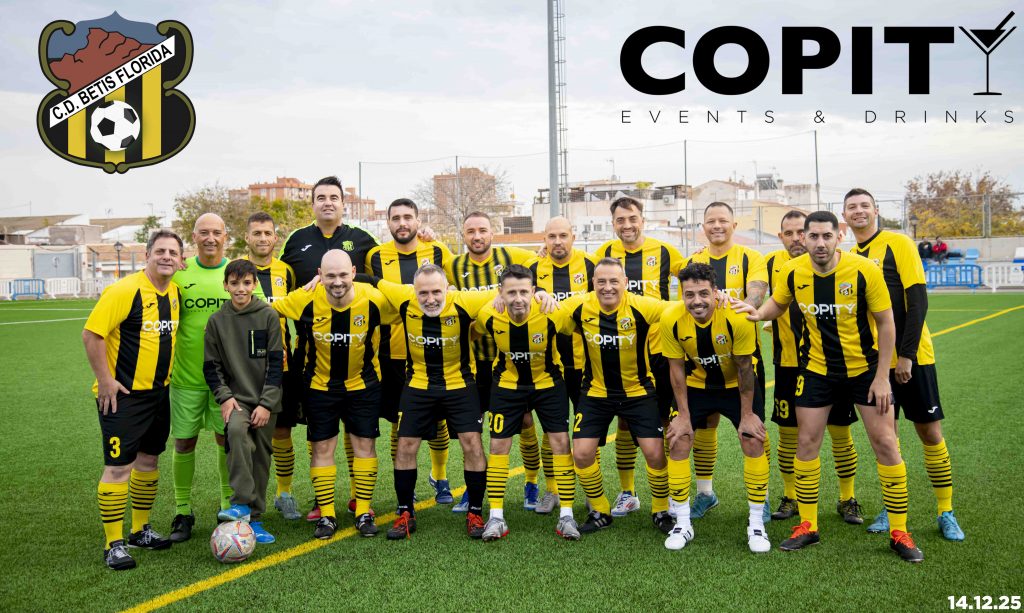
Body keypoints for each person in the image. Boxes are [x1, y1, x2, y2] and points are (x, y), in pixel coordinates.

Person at [731, 211, 924, 563]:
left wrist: (883, 377)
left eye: (826, 236)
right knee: (806, 443)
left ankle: (900, 531)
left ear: (839, 237)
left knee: (885, 442)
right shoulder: (793, 271)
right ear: (804, 239)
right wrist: (758, 312)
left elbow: (886, 323)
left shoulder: (864, 271)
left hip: (864, 370)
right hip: (816, 371)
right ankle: (808, 525)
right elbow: (778, 303)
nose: (820, 243)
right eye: (813, 236)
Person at [374, 266, 558, 539]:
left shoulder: (464, 300)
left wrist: (540, 293)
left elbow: (509, 290)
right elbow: (371, 279)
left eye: (436, 292)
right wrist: (321, 279)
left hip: (459, 384)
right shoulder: (403, 298)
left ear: (447, 289)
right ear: (414, 291)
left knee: (472, 443)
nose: (430, 299)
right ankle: (405, 512)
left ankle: (475, 511)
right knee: (406, 444)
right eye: (423, 293)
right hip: (418, 384)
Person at [844, 188, 965, 541]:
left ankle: (946, 511)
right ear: (845, 216)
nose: (858, 211)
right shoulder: (850, 256)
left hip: (914, 360)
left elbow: (918, 301)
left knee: (929, 432)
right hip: (876, 363)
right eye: (852, 207)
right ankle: (892, 508)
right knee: (888, 437)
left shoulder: (899, 243)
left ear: (876, 210)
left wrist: (907, 356)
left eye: (864, 205)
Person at [271, 250, 396, 539]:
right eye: (330, 276)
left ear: (353, 272)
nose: (337, 282)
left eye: (342, 275)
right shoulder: (304, 298)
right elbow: (268, 310)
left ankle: (363, 511)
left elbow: (411, 304)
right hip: (319, 387)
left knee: (364, 446)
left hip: (363, 386)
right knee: (322, 449)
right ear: (319, 275)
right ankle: (327, 515)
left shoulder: (374, 299)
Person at [278, 176, 379, 522]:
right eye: (320, 197)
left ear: (343, 203)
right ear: (312, 204)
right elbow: (281, 290)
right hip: (312, 359)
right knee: (320, 438)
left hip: (359, 358)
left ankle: (357, 500)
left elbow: (381, 283)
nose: (327, 203)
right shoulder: (296, 241)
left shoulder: (363, 240)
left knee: (358, 435)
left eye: (334, 197)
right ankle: (323, 503)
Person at [82, 229, 183, 570]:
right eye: (160, 251)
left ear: (180, 260)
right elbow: (92, 334)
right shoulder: (124, 290)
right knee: (118, 467)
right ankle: (113, 544)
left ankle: (140, 530)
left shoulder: (175, 292)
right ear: (147, 255)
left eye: (173, 252)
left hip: (159, 393)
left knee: (148, 461)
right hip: (123, 396)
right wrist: (105, 381)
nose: (166, 256)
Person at [553, 258, 674, 536]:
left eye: (614, 281)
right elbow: (549, 313)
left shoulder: (641, 306)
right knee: (582, 453)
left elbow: (678, 309)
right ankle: (600, 510)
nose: (607, 287)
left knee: (655, 453)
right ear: (592, 283)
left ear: (625, 283)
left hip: (638, 392)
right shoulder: (579, 306)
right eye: (601, 282)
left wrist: (719, 300)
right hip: (596, 393)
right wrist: (540, 297)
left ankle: (660, 510)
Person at [168, 214, 265, 543]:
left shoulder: (236, 274)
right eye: (204, 232)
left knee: (228, 441)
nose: (210, 238)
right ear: (194, 236)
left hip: (228, 383)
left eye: (216, 232)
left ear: (226, 237)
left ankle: (229, 506)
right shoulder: (179, 275)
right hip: (187, 377)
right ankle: (183, 510)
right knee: (184, 442)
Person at [661, 263, 770, 553]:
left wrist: (747, 415)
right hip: (697, 385)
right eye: (689, 294)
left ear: (715, 292)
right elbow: (676, 369)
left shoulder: (736, 317)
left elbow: (745, 368)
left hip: (736, 386)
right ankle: (683, 523)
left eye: (703, 293)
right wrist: (683, 416)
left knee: (752, 438)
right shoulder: (671, 318)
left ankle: (756, 523)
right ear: (681, 295)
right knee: (678, 438)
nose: (696, 301)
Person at [765, 211, 863, 525]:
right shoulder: (770, 264)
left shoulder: (839, 263)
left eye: (800, 232)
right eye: (789, 233)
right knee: (789, 435)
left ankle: (847, 498)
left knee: (840, 432)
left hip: (829, 366)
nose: (796, 238)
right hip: (787, 364)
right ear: (781, 237)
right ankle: (791, 496)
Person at [593, 197, 686, 518]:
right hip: (622, 353)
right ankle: (628, 492)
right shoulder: (603, 253)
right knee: (624, 421)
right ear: (613, 224)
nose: (627, 225)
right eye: (620, 220)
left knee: (667, 422)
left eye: (632, 218)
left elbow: (693, 273)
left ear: (642, 220)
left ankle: (670, 494)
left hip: (660, 352)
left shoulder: (665, 251)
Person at [473, 265, 579, 541]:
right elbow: (472, 332)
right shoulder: (489, 314)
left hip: (548, 384)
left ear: (533, 291)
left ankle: (567, 515)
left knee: (560, 443)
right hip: (506, 386)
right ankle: (496, 517)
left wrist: (552, 298)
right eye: (511, 293)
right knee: (498, 446)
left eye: (523, 292)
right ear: (501, 292)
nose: (518, 298)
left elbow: (575, 325)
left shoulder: (551, 313)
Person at [366, 198, 456, 505]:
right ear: (388, 223)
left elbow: (456, 286)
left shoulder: (438, 250)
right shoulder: (375, 256)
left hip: (434, 348)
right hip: (392, 352)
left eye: (408, 217)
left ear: (418, 220)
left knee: (439, 420)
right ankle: (406, 484)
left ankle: (440, 476)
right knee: (398, 421)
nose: (402, 223)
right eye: (396, 218)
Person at [685, 202, 771, 522]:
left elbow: (755, 297)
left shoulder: (751, 258)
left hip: (743, 361)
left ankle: (761, 500)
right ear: (703, 227)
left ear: (734, 225)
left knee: (753, 431)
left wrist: (730, 307)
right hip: (702, 362)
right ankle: (706, 494)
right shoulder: (694, 261)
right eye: (711, 221)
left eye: (723, 220)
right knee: (703, 428)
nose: (717, 225)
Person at [451, 211, 541, 512]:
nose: (477, 236)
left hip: (511, 361)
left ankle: (531, 482)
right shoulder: (453, 266)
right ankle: (474, 487)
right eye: (471, 231)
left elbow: (540, 263)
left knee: (525, 422)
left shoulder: (511, 256)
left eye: (482, 230)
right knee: (472, 429)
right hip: (472, 362)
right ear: (463, 235)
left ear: (492, 233)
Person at [203, 259, 283, 544]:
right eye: (234, 283)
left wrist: (266, 403)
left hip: (265, 401)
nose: (241, 288)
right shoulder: (216, 321)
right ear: (225, 285)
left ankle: (255, 520)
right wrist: (225, 398)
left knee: (260, 458)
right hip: (237, 402)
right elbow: (211, 367)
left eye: (247, 283)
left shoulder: (268, 316)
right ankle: (241, 504)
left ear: (255, 284)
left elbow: (276, 364)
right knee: (236, 433)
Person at [528, 216, 595, 514]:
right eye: (552, 236)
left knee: (588, 431)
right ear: (544, 239)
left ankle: (592, 491)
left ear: (573, 237)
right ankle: (552, 490)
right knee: (551, 431)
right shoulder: (533, 269)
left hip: (587, 364)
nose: (557, 241)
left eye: (563, 235)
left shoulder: (590, 266)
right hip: (549, 366)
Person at [243, 211, 303, 521]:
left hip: (281, 364)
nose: (263, 238)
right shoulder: (234, 269)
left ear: (275, 238)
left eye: (268, 233)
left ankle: (284, 493)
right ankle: (242, 497)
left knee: (281, 431)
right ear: (246, 238)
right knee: (242, 435)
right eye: (257, 233)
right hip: (244, 367)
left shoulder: (286, 272)